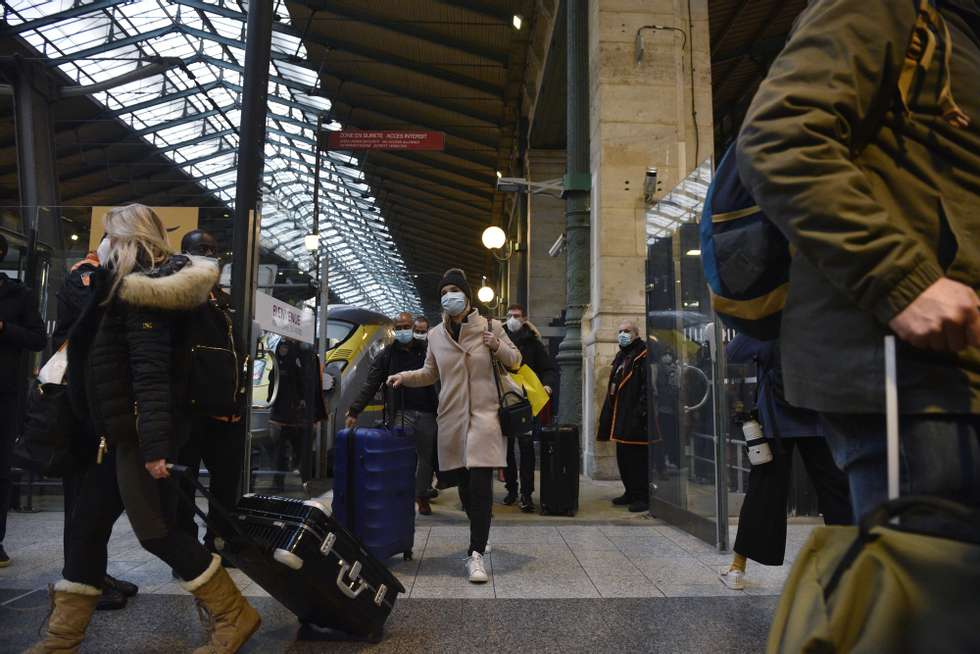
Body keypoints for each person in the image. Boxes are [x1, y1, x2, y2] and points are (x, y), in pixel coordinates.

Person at [736, 0, 980, 519]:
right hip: (912, 376)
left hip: (952, 372)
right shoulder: (883, 6)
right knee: (928, 586)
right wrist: (900, 279)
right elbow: (779, 137)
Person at [29, 205, 259, 654]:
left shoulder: (143, 291)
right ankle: (61, 639)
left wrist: (155, 447)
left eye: (111, 236)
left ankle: (235, 615)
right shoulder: (116, 289)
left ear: (128, 238)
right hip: (110, 433)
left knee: (156, 531)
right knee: (86, 527)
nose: (105, 245)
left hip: (139, 435)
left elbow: (152, 375)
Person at [387, 268, 521, 583]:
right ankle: (480, 530)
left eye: (454, 290)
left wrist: (496, 345)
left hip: (485, 416)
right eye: (444, 292)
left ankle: (475, 554)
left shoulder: (491, 326)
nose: (449, 296)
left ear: (467, 295)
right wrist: (404, 378)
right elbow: (430, 373)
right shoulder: (435, 335)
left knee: (480, 482)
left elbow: (516, 360)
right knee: (464, 487)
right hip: (451, 418)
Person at [719, 334, 853, 591]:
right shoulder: (816, 320)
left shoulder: (769, 325)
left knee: (763, 493)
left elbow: (733, 353)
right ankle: (850, 563)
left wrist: (754, 323)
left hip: (776, 424)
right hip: (820, 423)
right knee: (837, 494)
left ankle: (737, 569)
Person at [53, 251, 139, 611]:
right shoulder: (87, 280)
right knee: (82, 501)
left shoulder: (108, 283)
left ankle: (93, 573)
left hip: (95, 401)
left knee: (93, 501)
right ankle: (80, 580)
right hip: (78, 404)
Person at [174, 229, 245, 562]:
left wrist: (237, 402)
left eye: (213, 249)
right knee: (183, 487)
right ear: (184, 254)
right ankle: (185, 552)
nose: (209, 255)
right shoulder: (180, 295)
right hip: (190, 411)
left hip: (227, 412)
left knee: (226, 483)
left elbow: (235, 357)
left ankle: (220, 540)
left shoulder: (225, 300)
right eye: (200, 249)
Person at [346, 312, 439, 515]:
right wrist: (354, 410)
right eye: (399, 327)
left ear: (413, 328)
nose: (403, 330)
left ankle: (421, 495)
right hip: (400, 412)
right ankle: (401, 495)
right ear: (394, 329)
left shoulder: (427, 350)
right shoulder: (386, 355)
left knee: (426, 458)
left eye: (407, 326)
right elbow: (371, 384)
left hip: (428, 412)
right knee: (401, 456)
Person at [0, 233, 46, 568]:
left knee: (1, 468)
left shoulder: (19, 294)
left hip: (4, 394)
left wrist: (4, 328)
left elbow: (37, 338)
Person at [502, 303, 556, 512]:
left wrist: (547, 385)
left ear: (524, 318)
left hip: (525, 402)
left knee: (525, 448)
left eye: (516, 316)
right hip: (504, 399)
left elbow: (547, 368)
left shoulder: (533, 342)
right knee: (505, 449)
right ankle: (511, 489)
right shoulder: (498, 339)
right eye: (509, 316)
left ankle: (526, 493)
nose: (512, 319)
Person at [598, 320, 650, 513]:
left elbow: (647, 388)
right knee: (624, 457)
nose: (623, 334)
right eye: (620, 331)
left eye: (627, 331)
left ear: (636, 334)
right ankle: (630, 491)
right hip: (621, 415)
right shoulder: (622, 356)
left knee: (638, 459)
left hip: (636, 418)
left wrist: (640, 412)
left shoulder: (643, 355)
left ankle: (642, 496)